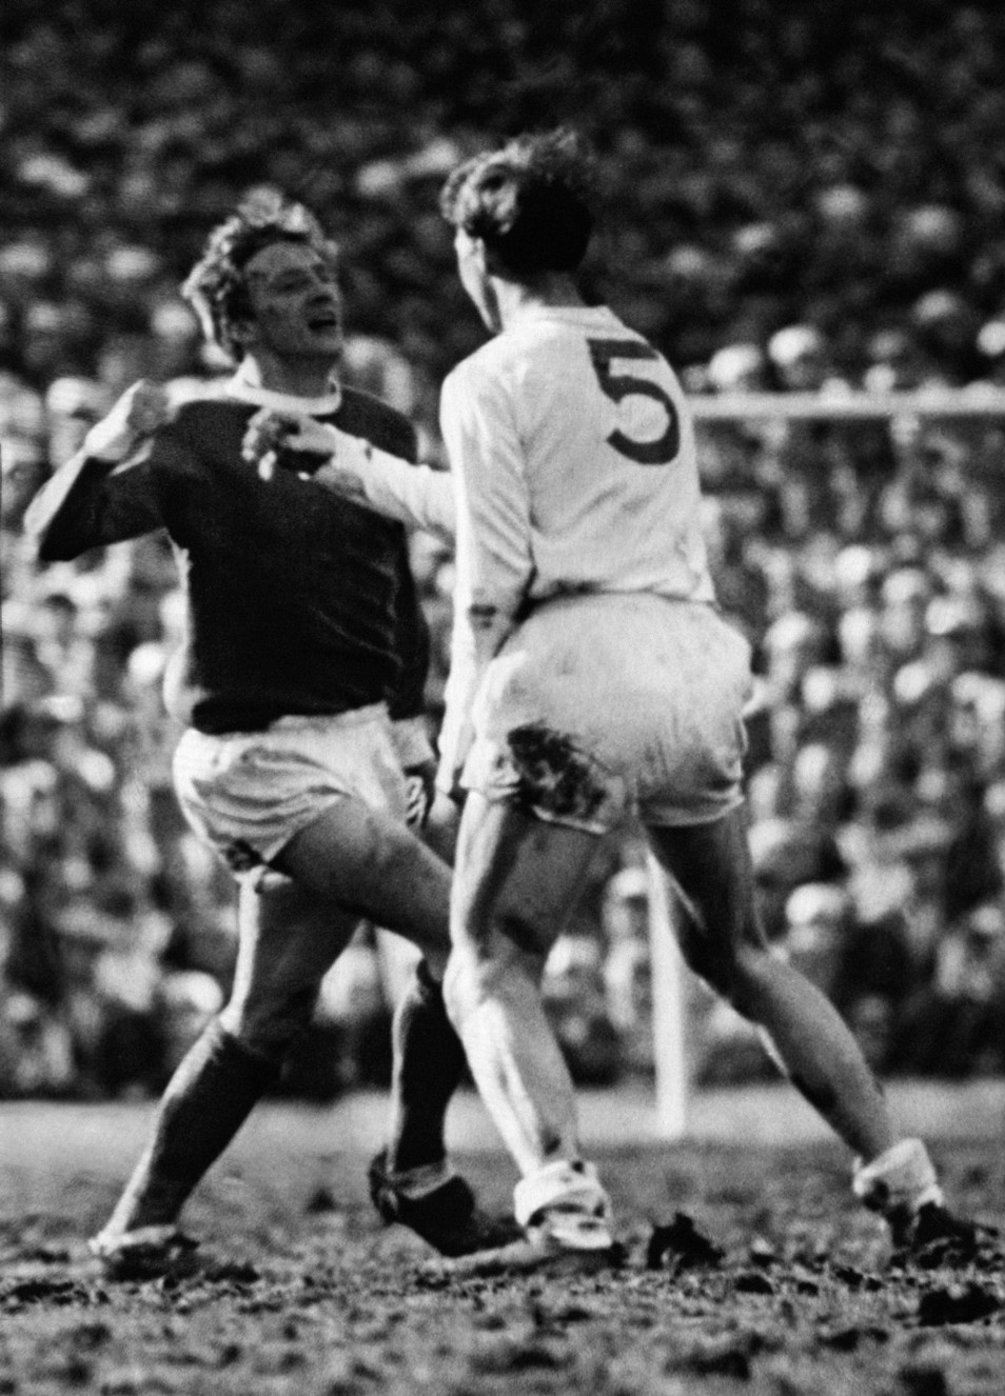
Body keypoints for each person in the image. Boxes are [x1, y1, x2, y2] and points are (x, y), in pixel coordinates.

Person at [423, 129, 984, 1272]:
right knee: (739, 947)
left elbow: (494, 579)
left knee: (485, 956)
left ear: (481, 253)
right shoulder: (645, 358)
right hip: (690, 659)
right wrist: (363, 474)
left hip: (570, 669)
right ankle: (908, 1186)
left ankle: (562, 1203)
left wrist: (455, 723)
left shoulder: (487, 374)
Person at [23, 190, 515, 1273]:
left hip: (363, 745)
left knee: (267, 1014)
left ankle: (136, 1228)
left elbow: (394, 594)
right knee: (467, 929)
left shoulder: (381, 426)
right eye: (289, 283)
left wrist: (411, 727)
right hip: (254, 759)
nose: (321, 291)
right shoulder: (196, 429)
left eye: (323, 275)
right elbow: (53, 537)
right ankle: (423, 1172)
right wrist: (104, 448)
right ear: (237, 322)